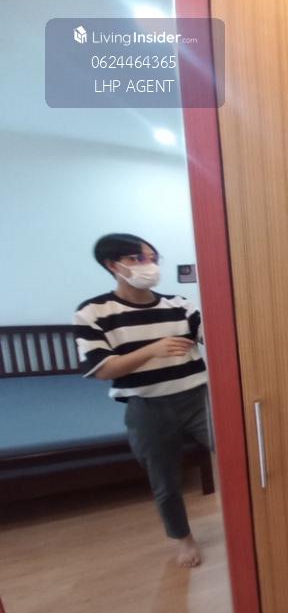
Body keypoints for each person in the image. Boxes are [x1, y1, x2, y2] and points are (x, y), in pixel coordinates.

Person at [73, 233, 210, 567]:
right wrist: (152, 350)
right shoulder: (93, 312)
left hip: (199, 398)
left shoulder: (180, 305)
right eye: (136, 259)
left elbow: (216, 336)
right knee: (165, 480)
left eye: (152, 257)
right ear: (112, 265)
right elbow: (102, 370)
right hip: (147, 406)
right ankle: (183, 539)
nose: (148, 265)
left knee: (242, 454)